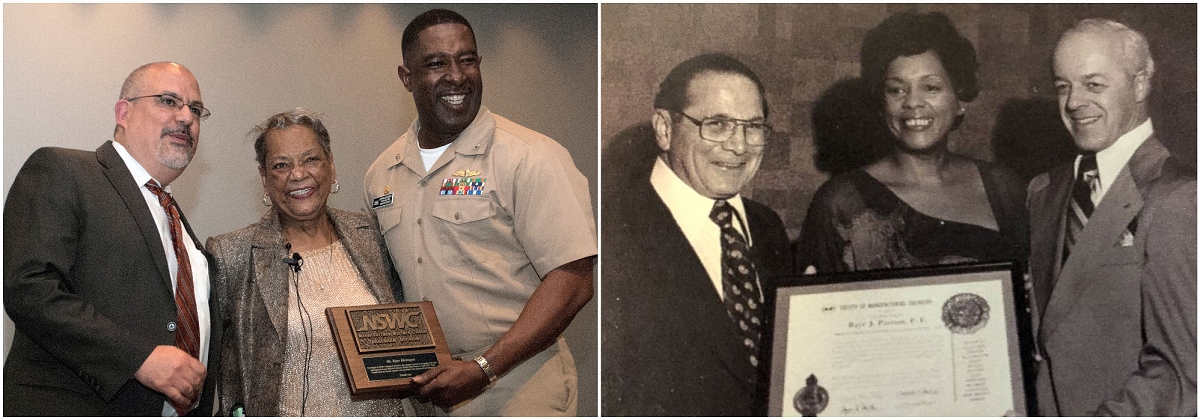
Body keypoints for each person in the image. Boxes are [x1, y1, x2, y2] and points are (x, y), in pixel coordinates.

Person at [363, 9, 596, 416]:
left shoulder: (530, 156)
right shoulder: (381, 174)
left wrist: (484, 367)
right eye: (437, 63)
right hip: (429, 390)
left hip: (519, 384)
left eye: (466, 59)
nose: (456, 75)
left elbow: (573, 281)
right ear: (406, 78)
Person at [3, 62, 221, 416]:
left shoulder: (175, 218)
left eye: (195, 109)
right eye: (169, 101)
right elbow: (30, 288)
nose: (186, 117)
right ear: (124, 112)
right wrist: (140, 358)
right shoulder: (64, 170)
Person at [601, 53, 792, 416]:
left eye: (752, 127)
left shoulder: (767, 227)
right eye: (717, 124)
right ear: (664, 128)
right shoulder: (611, 230)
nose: (739, 146)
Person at [208, 109, 427, 416]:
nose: (298, 174)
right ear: (264, 178)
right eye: (281, 165)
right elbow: (220, 373)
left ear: (331, 166)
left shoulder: (372, 236)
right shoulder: (233, 255)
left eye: (311, 159)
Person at [1028, 18, 1196, 416]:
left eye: (1094, 84)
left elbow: (1184, 373)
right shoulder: (1043, 191)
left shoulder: (1180, 198)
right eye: (1062, 86)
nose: (1073, 102)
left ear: (1139, 85)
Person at [794, 11, 1027, 273]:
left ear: (959, 99)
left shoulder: (1003, 187)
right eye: (897, 90)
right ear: (882, 105)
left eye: (931, 88)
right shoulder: (840, 201)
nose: (913, 102)